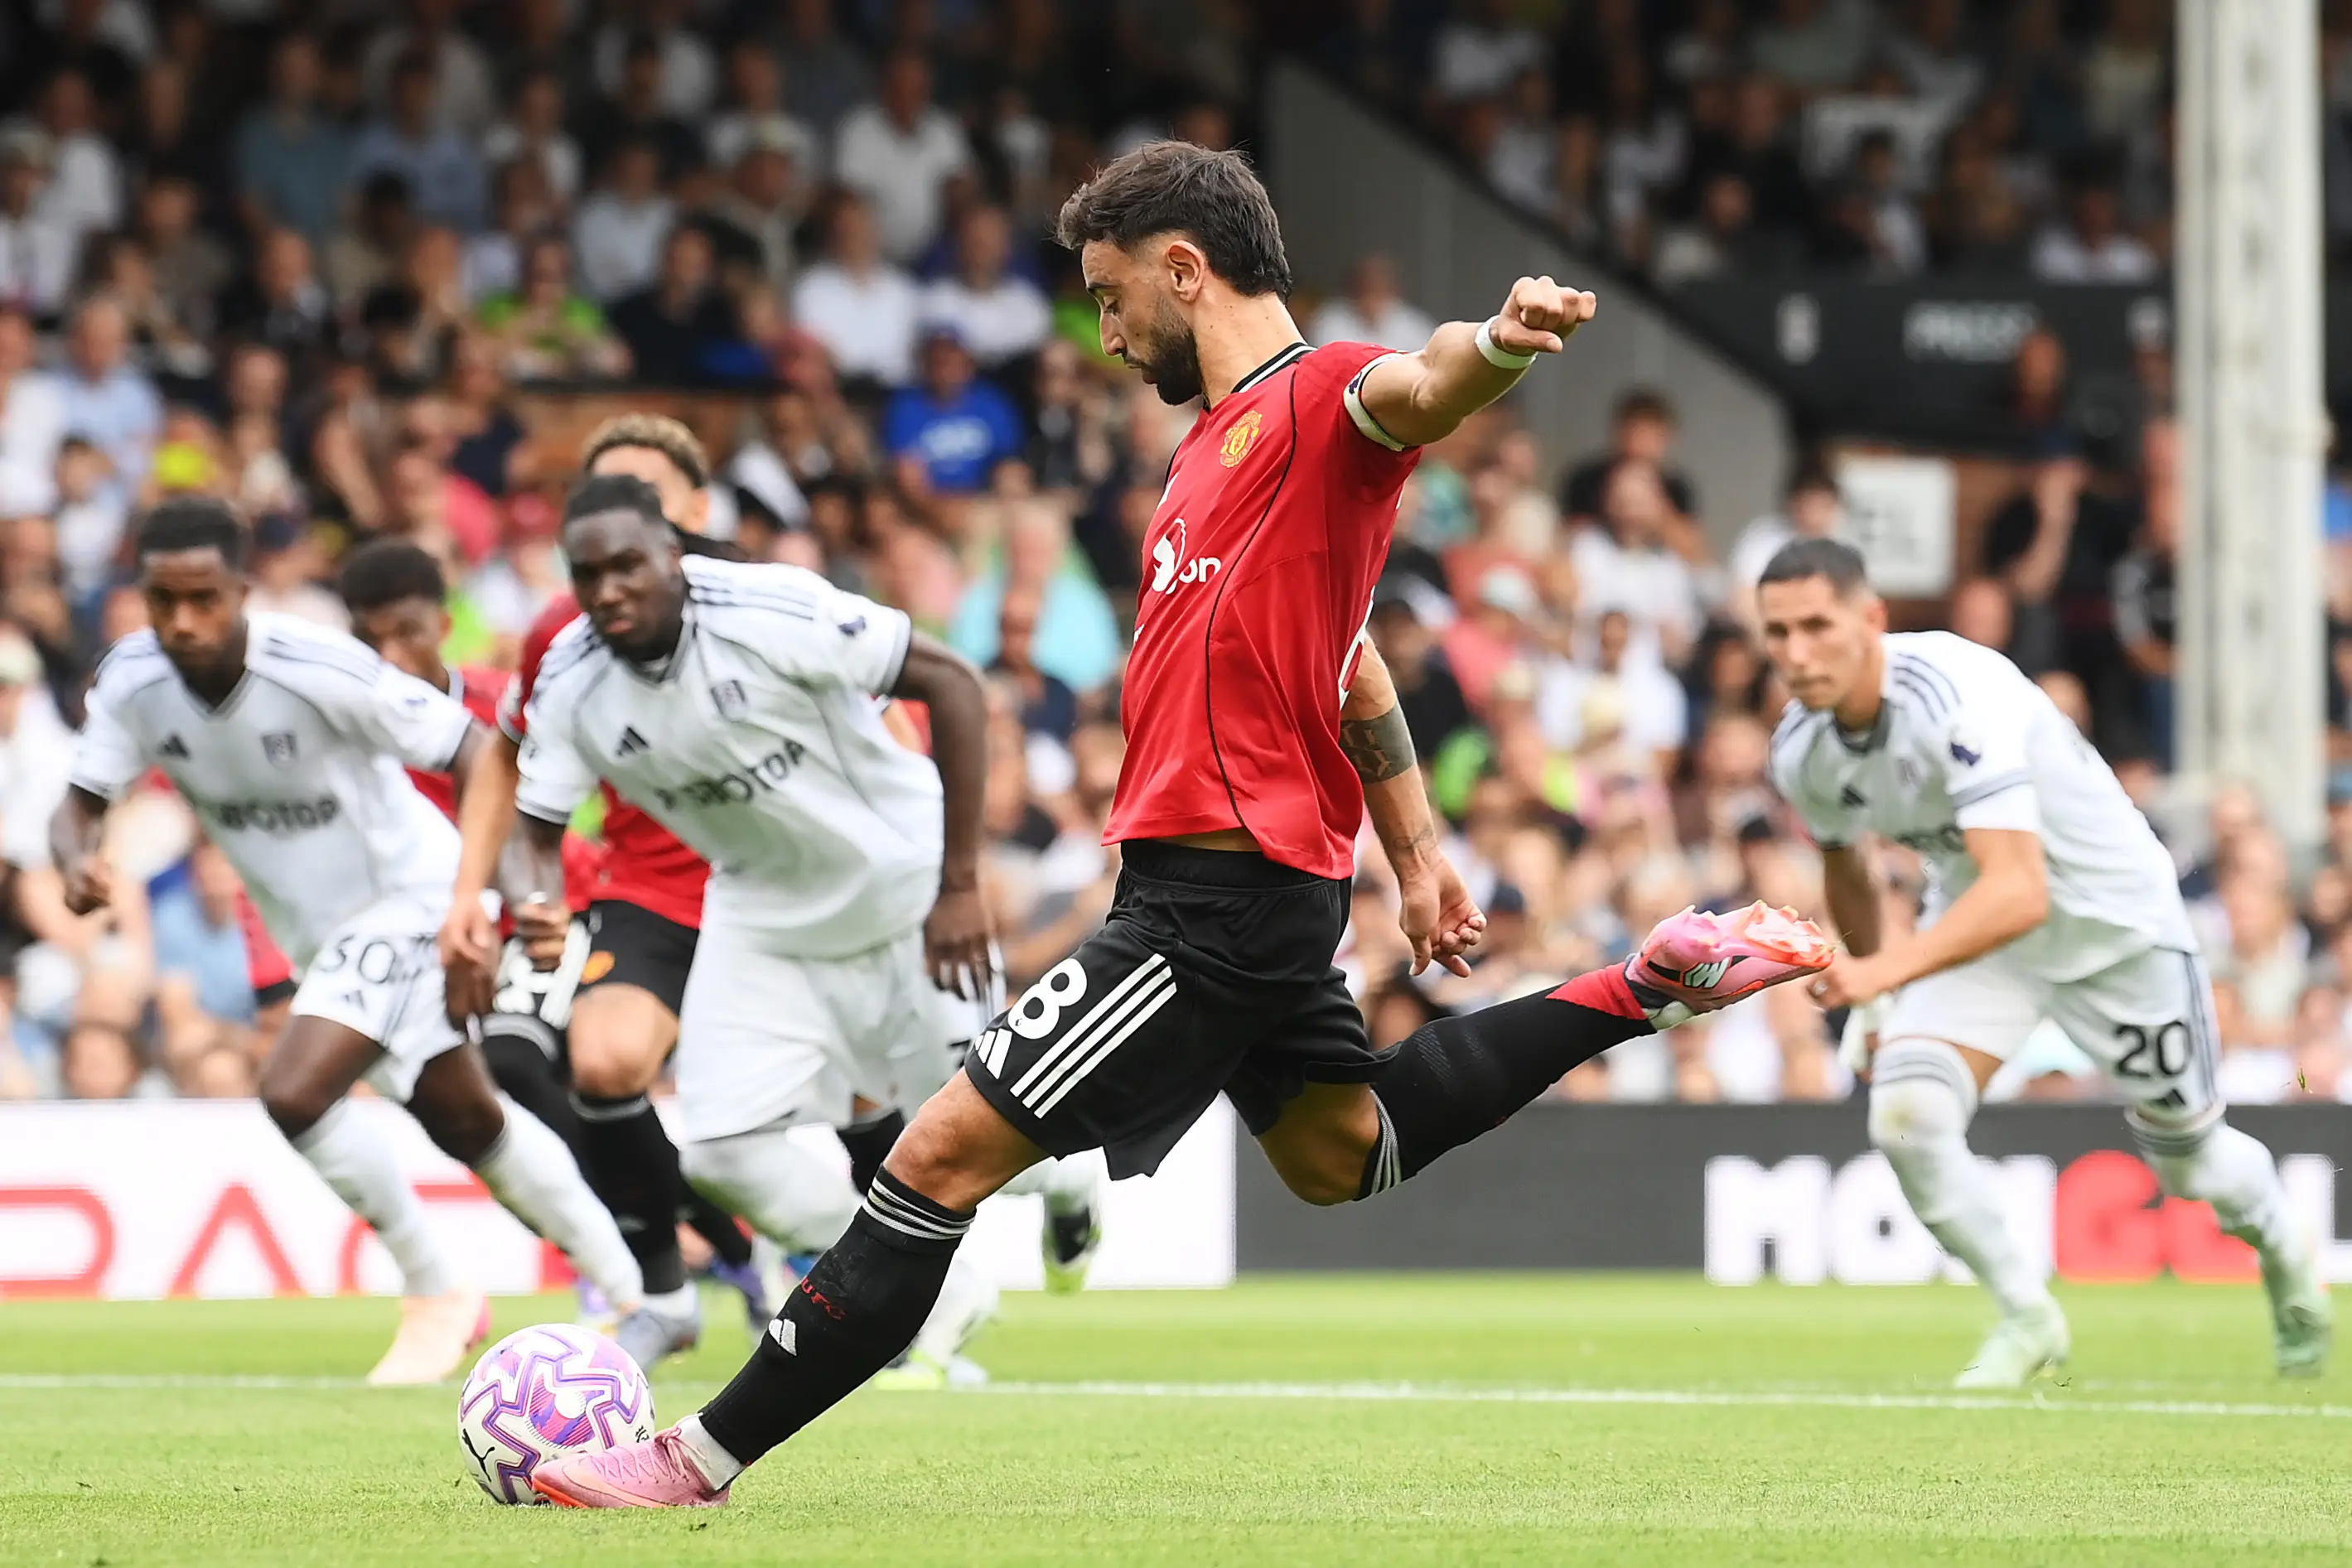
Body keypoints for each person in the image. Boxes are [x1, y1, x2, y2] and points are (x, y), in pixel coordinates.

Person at [529, 139, 1831, 1509]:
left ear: (1183, 269)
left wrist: (1498, 346)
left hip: (1208, 902)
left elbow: (1418, 380)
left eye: (1109, 296)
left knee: (933, 1156)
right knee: (1343, 1152)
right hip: (1251, 887)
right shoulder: (1201, 456)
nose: (1104, 330)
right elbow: (1349, 663)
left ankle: (695, 1458)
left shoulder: (1319, 399)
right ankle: (1647, 982)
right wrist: (1423, 853)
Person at [52, 496, 658, 1383]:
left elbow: (478, 748)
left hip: (408, 899)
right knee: (470, 1120)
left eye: (205, 599)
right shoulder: (132, 686)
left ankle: (437, 1290)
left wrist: (480, 896)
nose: (183, 622)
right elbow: (79, 804)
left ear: (243, 591)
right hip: (318, 937)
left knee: (293, 1091)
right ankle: (637, 1295)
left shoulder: (317, 665)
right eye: (162, 600)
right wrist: (78, 860)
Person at [1756, 537, 2330, 1387]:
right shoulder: (1801, 751)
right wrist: (1874, 1000)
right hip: (1983, 934)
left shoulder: (1958, 694)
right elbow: (1846, 864)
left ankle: (2284, 1249)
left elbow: (2022, 889)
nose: (1796, 654)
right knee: (1907, 1115)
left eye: (1816, 625)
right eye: (1776, 633)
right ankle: (2027, 1319)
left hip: (2114, 929)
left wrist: (1886, 972)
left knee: (2188, 1164)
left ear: (1871, 620)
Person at [434, 415, 784, 1344]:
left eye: (645, 497)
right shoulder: (564, 628)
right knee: (594, 1061)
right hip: (651, 887)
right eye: (603, 502)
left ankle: (849, 1280)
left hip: (787, 887)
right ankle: (660, 1291)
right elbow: (503, 757)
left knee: (843, 1111)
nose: (621, 528)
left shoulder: (767, 599)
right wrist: (494, 892)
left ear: (692, 513)